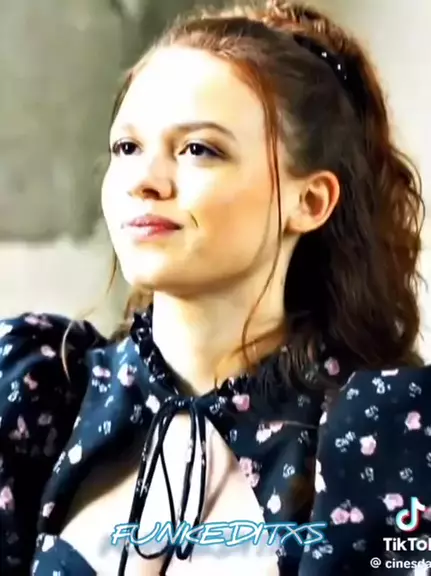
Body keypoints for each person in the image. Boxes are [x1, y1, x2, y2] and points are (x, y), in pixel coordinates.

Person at [0, 0, 429, 574]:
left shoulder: (387, 435)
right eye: (127, 147)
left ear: (310, 200)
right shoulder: (35, 388)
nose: (144, 181)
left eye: (199, 149)